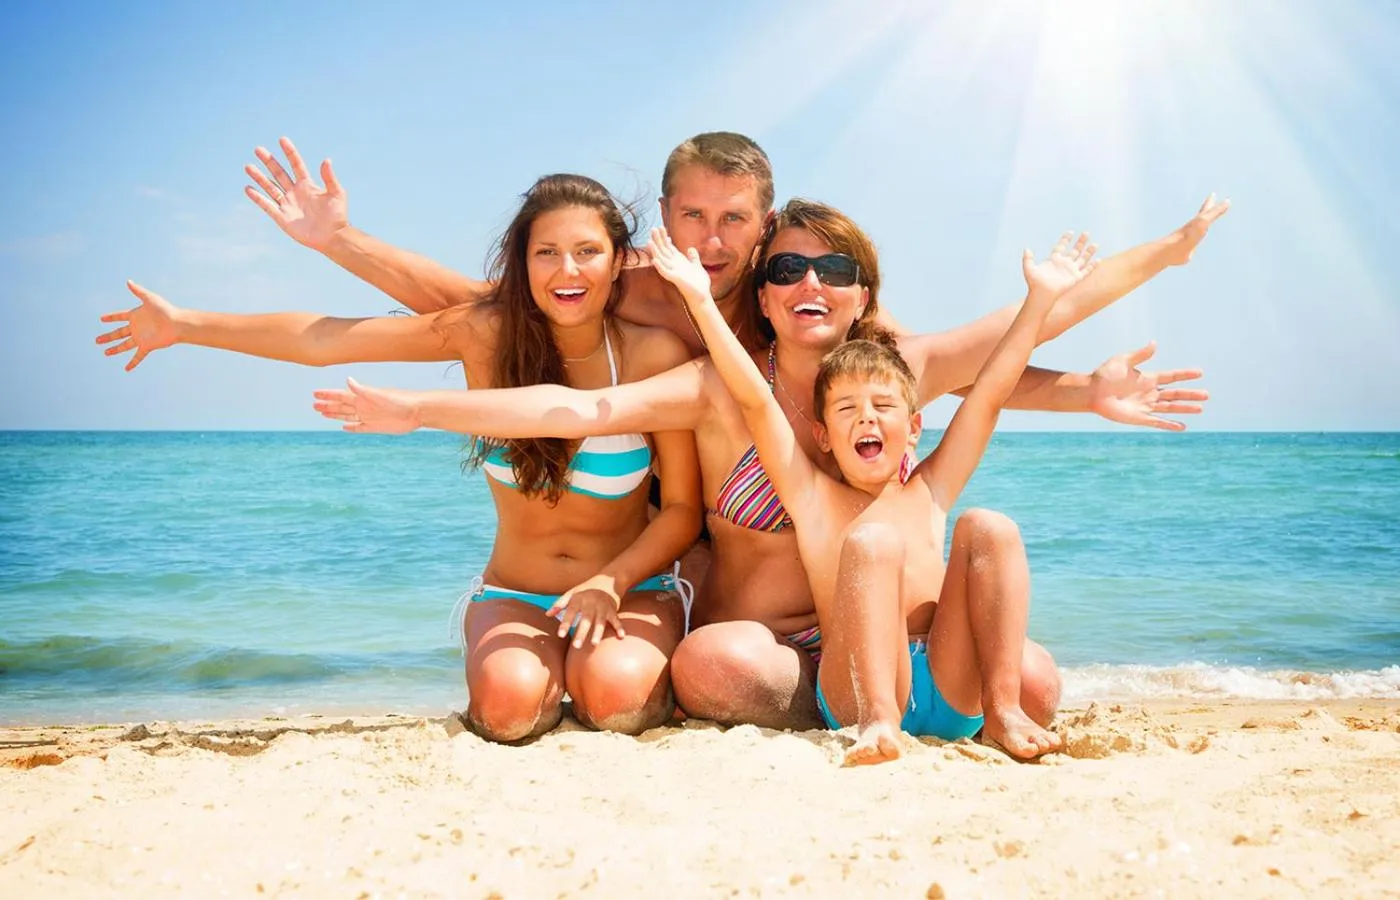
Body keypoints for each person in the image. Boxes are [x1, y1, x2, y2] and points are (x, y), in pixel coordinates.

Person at [310, 195, 1218, 732]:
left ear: (866, 292)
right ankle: (857, 716)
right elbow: (577, 398)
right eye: (786, 269)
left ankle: (913, 709)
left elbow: (1022, 341)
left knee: (1038, 683)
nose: (809, 284)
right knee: (709, 665)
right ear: (764, 288)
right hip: (783, 652)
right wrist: (422, 409)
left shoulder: (906, 372)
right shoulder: (722, 385)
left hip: (908, 638)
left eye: (834, 269)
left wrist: (1169, 256)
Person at [96, 174, 703, 742]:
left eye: (586, 251)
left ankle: (605, 669)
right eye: (546, 252)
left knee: (617, 699)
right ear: (521, 262)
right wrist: (183, 324)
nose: (566, 270)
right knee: (508, 709)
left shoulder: (652, 355)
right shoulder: (485, 336)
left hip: (631, 589)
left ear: (619, 258)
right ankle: (536, 671)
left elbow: (680, 509)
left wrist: (610, 581)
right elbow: (326, 339)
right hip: (517, 595)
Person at [647, 221, 1094, 764]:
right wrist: (701, 301)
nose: (867, 420)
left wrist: (1039, 301)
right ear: (821, 437)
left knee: (990, 526)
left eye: (883, 408)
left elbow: (992, 393)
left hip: (948, 682)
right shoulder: (811, 498)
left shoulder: (929, 489)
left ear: (913, 428)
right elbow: (754, 400)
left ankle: (1002, 713)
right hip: (856, 691)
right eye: (846, 411)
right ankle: (881, 722)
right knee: (873, 543)